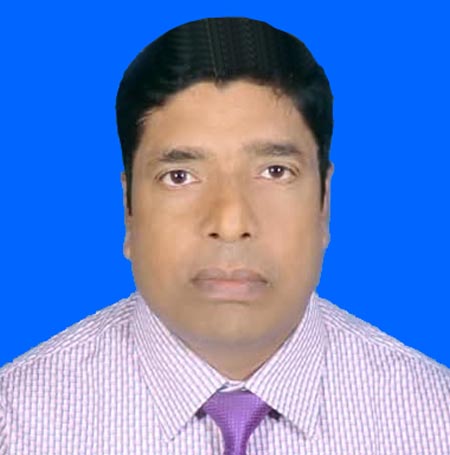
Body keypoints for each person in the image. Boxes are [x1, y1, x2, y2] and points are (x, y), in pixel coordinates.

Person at [0, 16, 449, 455]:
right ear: (128, 211)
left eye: (275, 171)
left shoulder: (436, 416)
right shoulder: (16, 420)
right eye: (179, 176)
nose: (231, 224)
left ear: (324, 202)